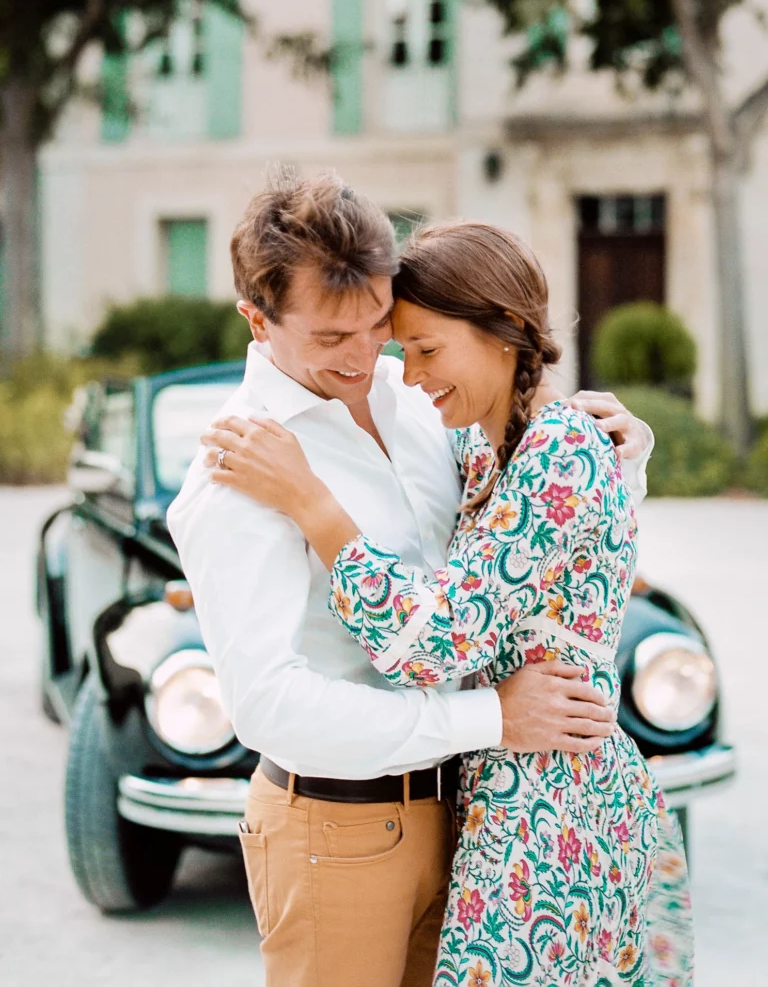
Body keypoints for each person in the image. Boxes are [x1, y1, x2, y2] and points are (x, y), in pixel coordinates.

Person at [168, 169, 655, 987]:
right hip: (339, 825)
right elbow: (268, 705)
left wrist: (618, 460)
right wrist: (488, 716)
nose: (366, 358)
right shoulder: (237, 473)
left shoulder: (423, 399)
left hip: (472, 815)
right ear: (257, 319)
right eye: (332, 339)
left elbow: (526, 530)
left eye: (379, 327)